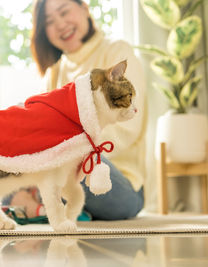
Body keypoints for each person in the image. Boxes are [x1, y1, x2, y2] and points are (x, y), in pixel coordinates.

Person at [8, 0, 147, 221]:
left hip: (118, 185)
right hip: (62, 173)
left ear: (84, 8)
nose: (61, 24)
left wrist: (68, 150)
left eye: (64, 12)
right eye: (50, 22)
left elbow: (127, 127)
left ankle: (34, 201)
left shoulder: (116, 53)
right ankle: (43, 202)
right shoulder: (54, 72)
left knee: (68, 160)